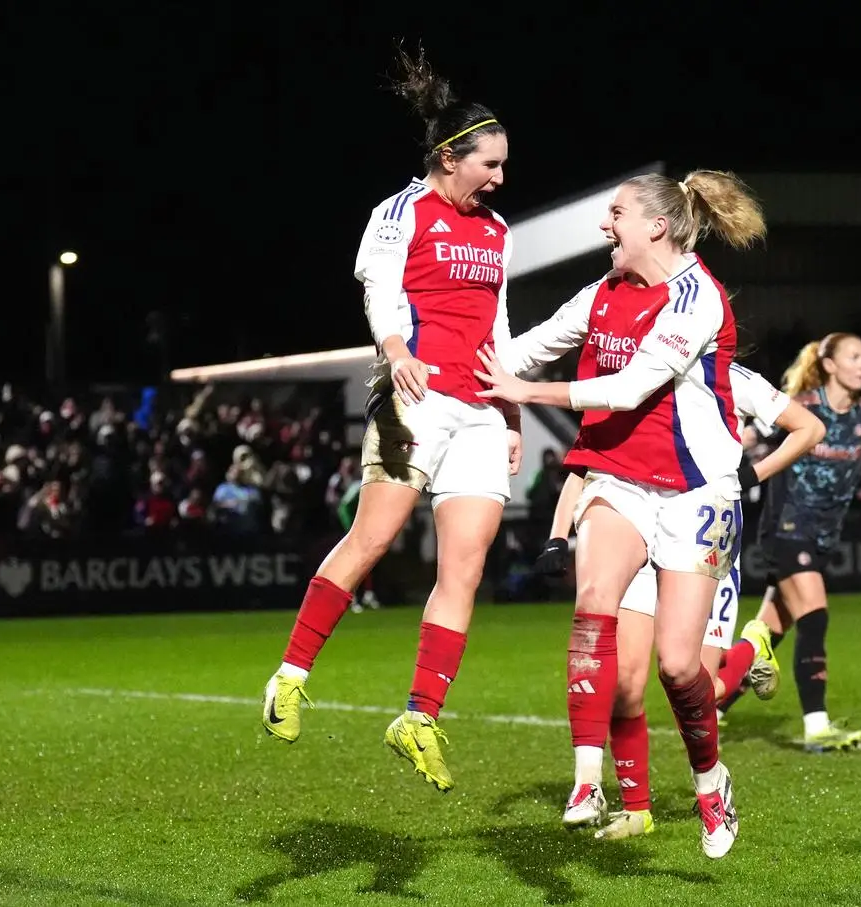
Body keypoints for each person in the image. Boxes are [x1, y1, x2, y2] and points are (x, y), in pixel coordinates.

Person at [475, 168, 765, 859]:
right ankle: (585, 780)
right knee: (593, 597)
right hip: (623, 483)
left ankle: (708, 779)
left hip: (698, 490)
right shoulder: (601, 292)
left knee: (675, 666)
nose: (604, 225)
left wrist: (526, 393)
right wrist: (437, 361)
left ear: (654, 227)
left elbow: (634, 386)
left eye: (615, 213)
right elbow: (523, 348)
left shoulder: (697, 298)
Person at [261, 47, 521, 794]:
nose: (500, 178)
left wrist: (508, 410)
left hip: (475, 410)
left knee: (464, 566)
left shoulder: (496, 231)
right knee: (372, 538)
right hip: (414, 397)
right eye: (490, 164)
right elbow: (379, 284)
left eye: (503, 165)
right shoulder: (401, 211)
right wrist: (397, 348)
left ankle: (419, 716)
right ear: (450, 157)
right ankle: (289, 673)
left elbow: (498, 323)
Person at [533, 362, 826, 841]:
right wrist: (558, 535)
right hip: (636, 523)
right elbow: (586, 461)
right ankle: (636, 808)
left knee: (696, 684)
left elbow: (809, 428)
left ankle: (752, 648)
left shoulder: (730, 376)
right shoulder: (628, 371)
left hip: (700, 536)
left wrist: (751, 475)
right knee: (626, 684)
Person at [722, 332, 861, 753]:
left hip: (823, 537)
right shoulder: (802, 408)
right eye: (854, 356)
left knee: (770, 633)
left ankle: (715, 702)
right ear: (829, 364)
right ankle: (817, 726)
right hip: (787, 528)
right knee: (815, 616)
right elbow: (747, 438)